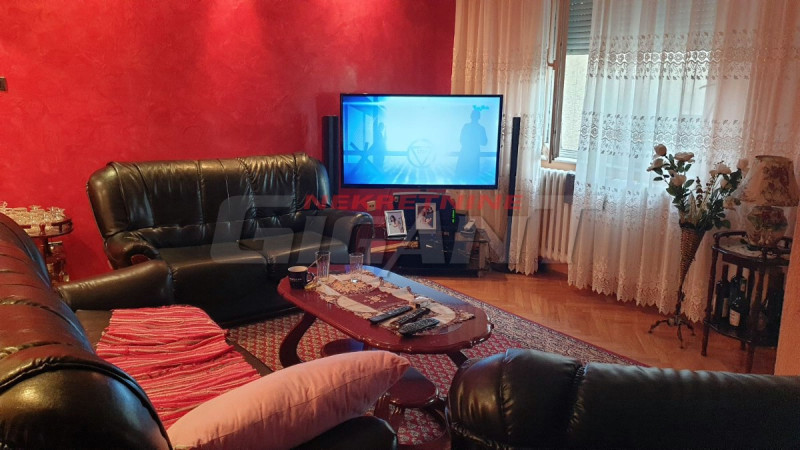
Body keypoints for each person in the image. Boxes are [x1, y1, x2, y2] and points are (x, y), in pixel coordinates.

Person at [455, 108, 488, 182]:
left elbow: (461, 139)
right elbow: (484, 142)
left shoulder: (466, 127)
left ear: (471, 116)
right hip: (474, 155)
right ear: (479, 117)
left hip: (465, 154)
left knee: (460, 176)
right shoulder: (481, 128)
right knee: (472, 178)